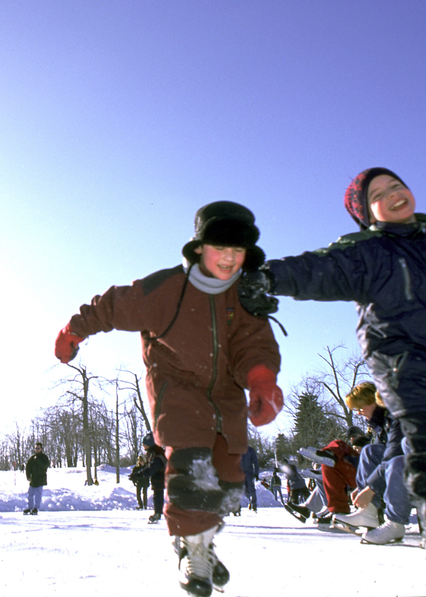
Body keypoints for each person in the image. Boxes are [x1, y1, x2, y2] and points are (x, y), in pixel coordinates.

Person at [240, 167, 426, 595]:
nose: (393, 193)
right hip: (409, 374)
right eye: (378, 193)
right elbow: (317, 267)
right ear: (365, 213)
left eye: (396, 185)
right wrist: (266, 278)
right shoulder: (368, 252)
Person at [55, 201, 283, 597]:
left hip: (227, 398)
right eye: (219, 248)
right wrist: (75, 330)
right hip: (177, 389)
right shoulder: (167, 289)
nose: (228, 258)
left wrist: (262, 380)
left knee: (228, 483)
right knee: (192, 469)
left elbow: (255, 345)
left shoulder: (246, 296)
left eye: (237, 250)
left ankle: (201, 542)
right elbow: (114, 306)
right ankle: (193, 550)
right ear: (199, 248)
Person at [333, 382, 412, 544]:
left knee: (393, 460)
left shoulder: (396, 418)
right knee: (370, 451)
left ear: (372, 401)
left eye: (359, 408)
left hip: (412, 468)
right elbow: (376, 457)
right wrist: (362, 488)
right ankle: (368, 512)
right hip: (400, 467)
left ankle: (395, 523)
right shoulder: (381, 424)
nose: (359, 413)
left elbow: (392, 456)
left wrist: (370, 489)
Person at [141, 433, 166, 524]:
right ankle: (158, 513)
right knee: (157, 495)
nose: (143, 446)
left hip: (163, 477)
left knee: (160, 495)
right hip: (158, 479)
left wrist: (141, 474)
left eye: (145, 444)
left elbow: (153, 467)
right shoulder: (152, 453)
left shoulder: (157, 454)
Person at [23, 442, 49, 515]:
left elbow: (45, 466)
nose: (37, 450)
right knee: (30, 494)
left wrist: (37, 460)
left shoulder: (44, 457)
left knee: (38, 495)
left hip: (40, 479)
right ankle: (30, 508)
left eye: (38, 448)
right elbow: (28, 468)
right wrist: (28, 476)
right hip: (33, 479)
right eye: (36, 448)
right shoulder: (32, 458)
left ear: (41, 449)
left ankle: (36, 508)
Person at [240, 445, 259, 513]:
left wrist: (256, 473)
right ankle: (251, 500)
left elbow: (255, 462)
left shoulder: (250, 450)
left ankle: (254, 504)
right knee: (244, 489)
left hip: (249, 473)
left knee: (251, 488)